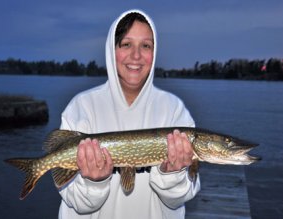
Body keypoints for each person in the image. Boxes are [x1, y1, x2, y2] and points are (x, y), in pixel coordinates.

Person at [58, 9, 200, 219]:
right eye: (126, 44)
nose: (136, 55)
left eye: (146, 45)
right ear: (111, 49)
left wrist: (173, 174)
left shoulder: (174, 109)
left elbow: (179, 198)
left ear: (154, 51)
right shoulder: (80, 107)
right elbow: (76, 202)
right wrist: (93, 183)